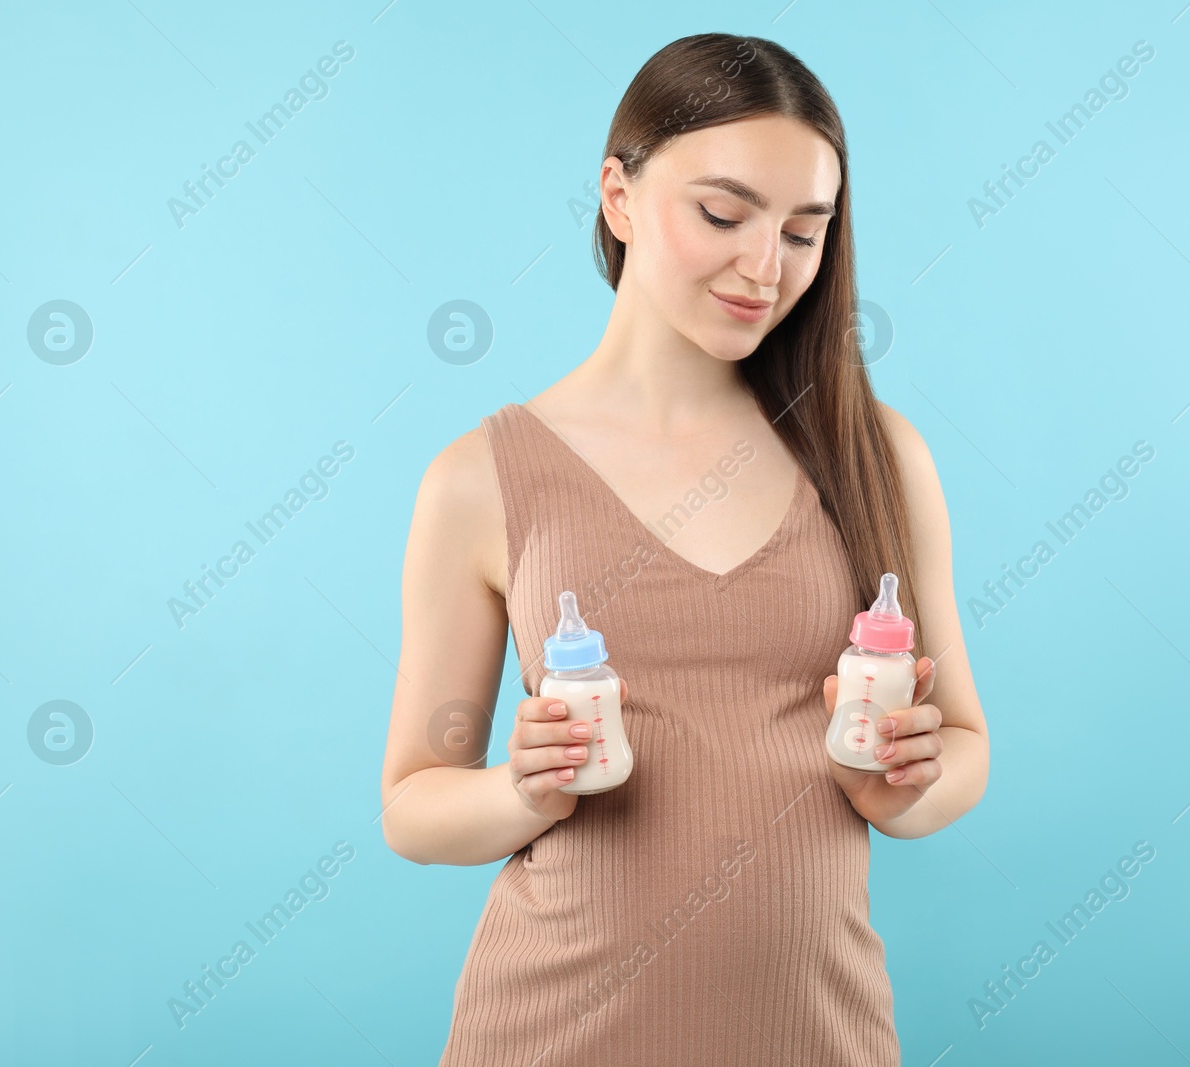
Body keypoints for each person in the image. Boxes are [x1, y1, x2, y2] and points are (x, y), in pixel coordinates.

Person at [379, 32, 989, 1066]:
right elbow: (412, 802)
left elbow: (963, 742)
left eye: (806, 233)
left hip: (816, 1035)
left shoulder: (874, 453)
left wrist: (908, 784)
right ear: (618, 195)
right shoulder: (479, 478)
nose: (766, 267)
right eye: (721, 214)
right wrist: (521, 790)